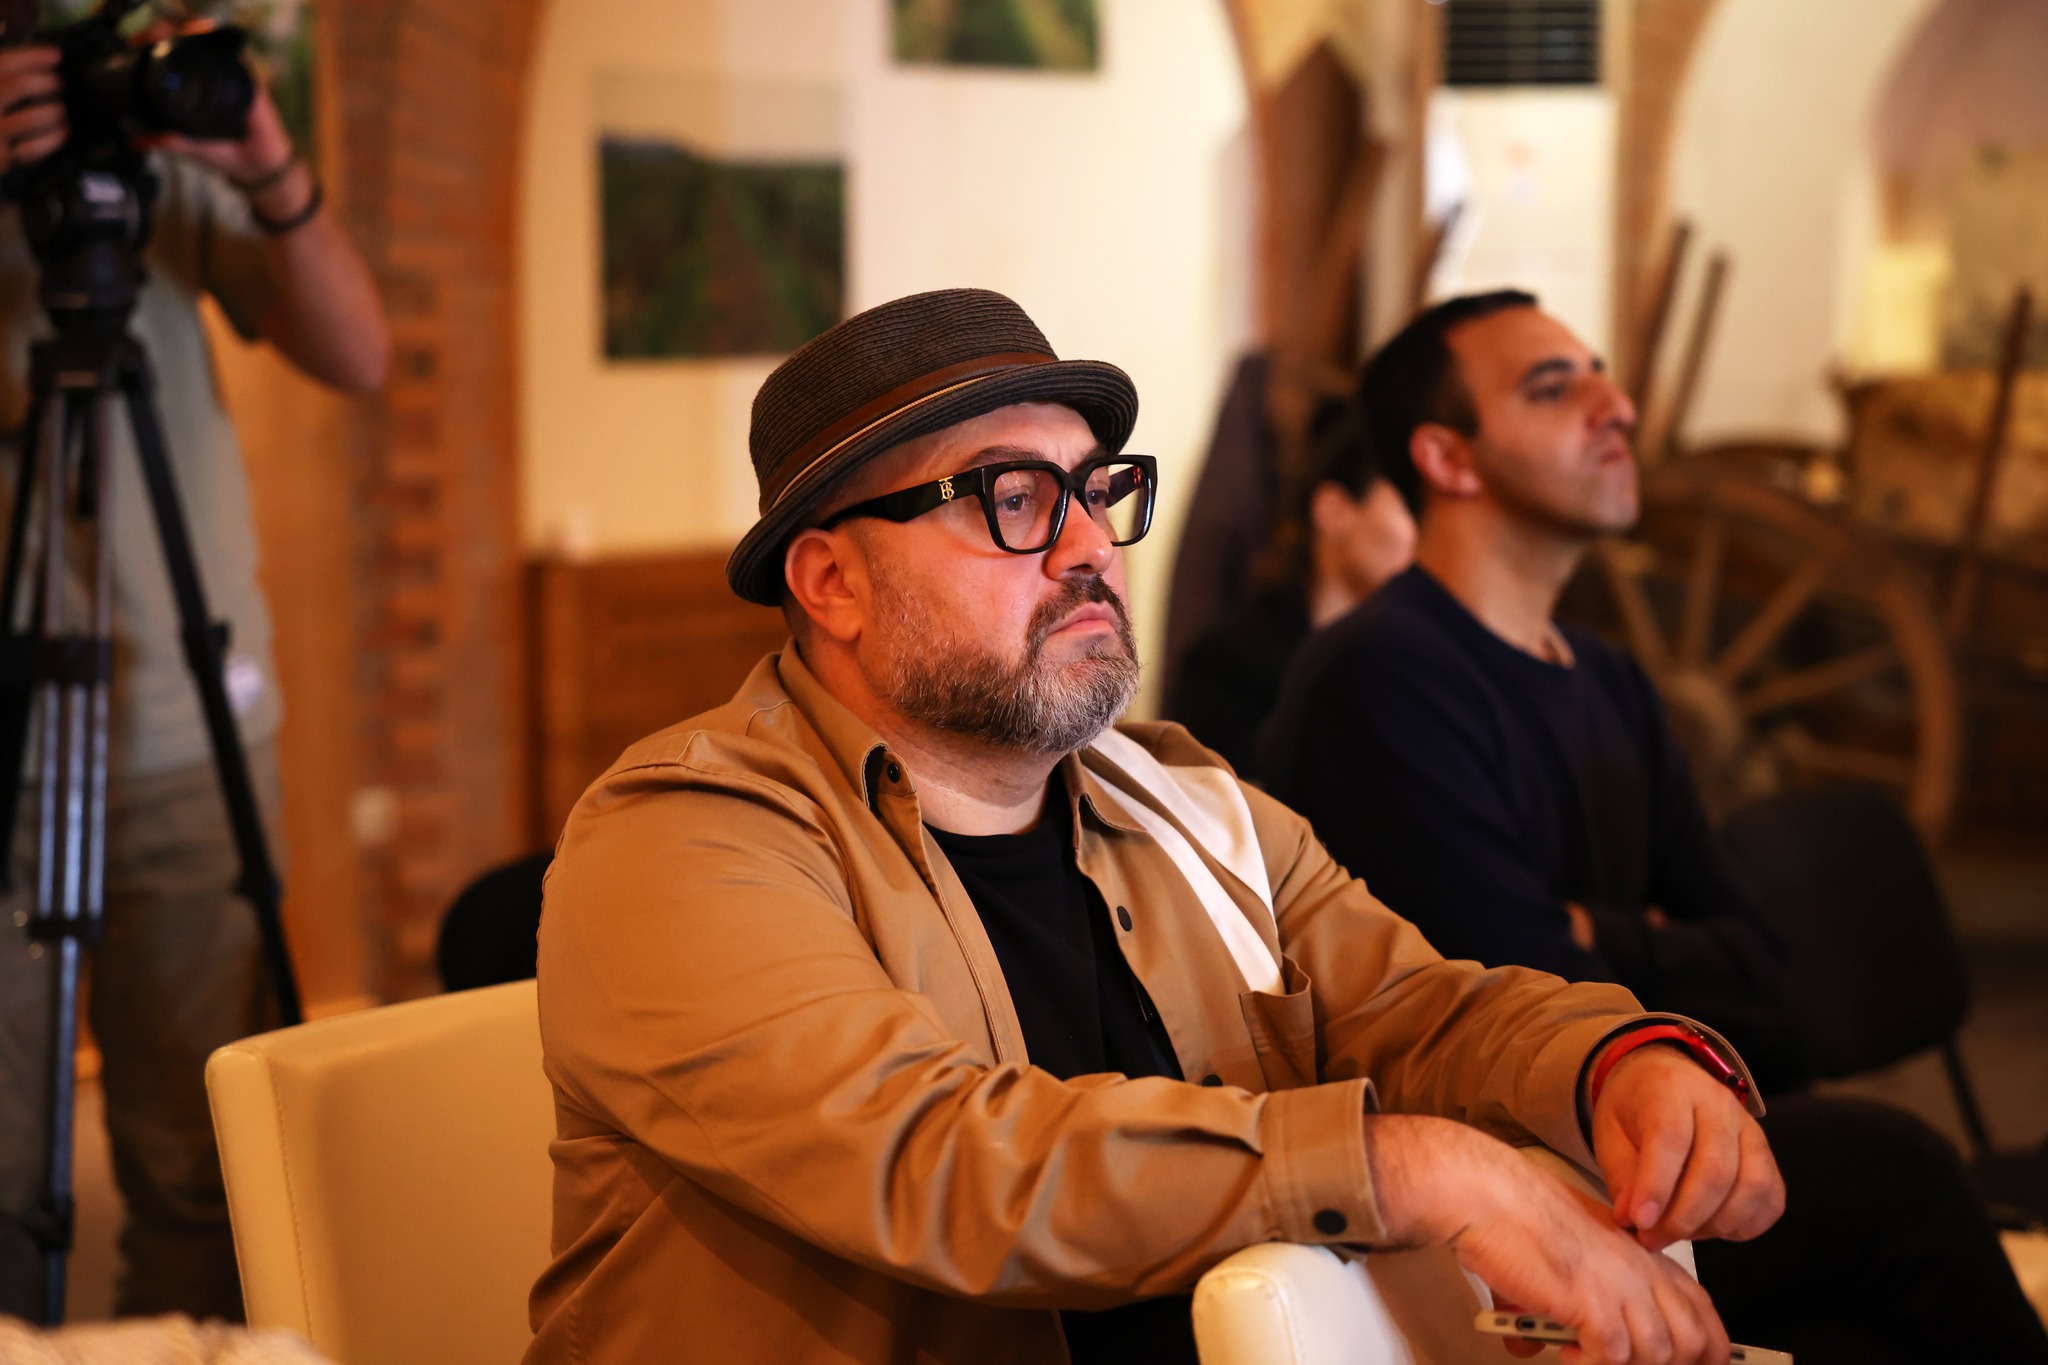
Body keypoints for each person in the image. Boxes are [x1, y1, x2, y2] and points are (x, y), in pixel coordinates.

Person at [526, 287, 1787, 1365]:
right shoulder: (679, 837)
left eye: (1096, 490)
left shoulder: (1180, 798)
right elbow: (934, 1158)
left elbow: (1417, 1008)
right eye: (1011, 498)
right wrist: (1405, 1169)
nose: (1087, 546)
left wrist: (1609, 1060)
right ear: (831, 582)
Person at [1259, 290, 2048, 1364]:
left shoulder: (1611, 678)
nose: (1617, 406)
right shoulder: (1381, 683)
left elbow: (1768, 977)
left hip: (1650, 1141)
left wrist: (1602, 933)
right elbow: (1510, 1001)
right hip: (1514, 1201)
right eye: (1554, 388)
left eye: (1601, 374)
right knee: (1893, 1174)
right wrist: (1654, 950)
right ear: (1447, 458)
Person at [0, 34, 389, 1322]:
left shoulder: (153, 170)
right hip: (11, 746)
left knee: (202, 1172)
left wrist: (266, 163)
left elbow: (360, 353)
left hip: (182, 727)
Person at [1170, 397, 1414, 775]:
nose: (1424, 536)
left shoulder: (1409, 664)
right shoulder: (1228, 667)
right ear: (1333, 511)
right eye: (1409, 508)